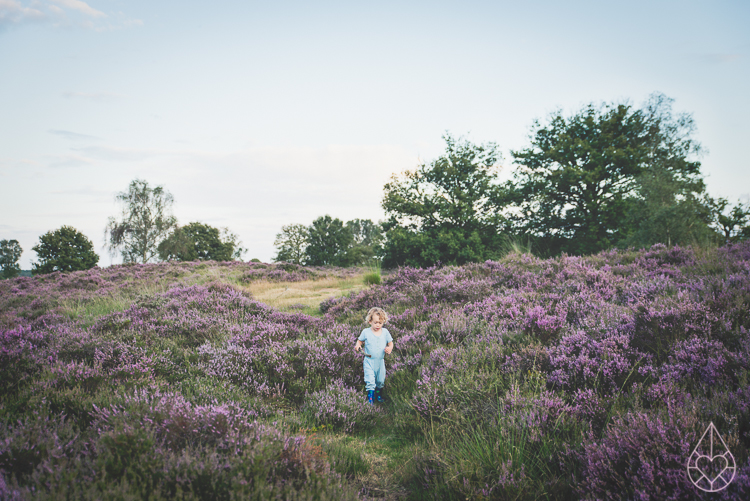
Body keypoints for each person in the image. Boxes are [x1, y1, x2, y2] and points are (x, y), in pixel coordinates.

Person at [354, 307, 393, 404]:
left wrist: (389, 348)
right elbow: (359, 341)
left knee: (380, 381)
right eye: (375, 322)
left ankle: (378, 395)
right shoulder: (366, 332)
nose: (378, 325)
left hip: (380, 361)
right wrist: (358, 345)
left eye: (380, 323)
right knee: (370, 380)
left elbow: (390, 343)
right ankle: (370, 399)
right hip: (369, 361)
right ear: (370, 321)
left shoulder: (385, 332)